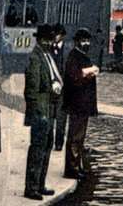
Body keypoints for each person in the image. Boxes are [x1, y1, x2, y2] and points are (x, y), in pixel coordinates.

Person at [24, 24, 62, 201]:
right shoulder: (36, 58)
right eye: (46, 40)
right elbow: (32, 89)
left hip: (48, 108)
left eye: (50, 39)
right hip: (41, 111)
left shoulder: (46, 56)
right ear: (40, 40)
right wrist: (37, 112)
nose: (49, 43)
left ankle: (40, 184)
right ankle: (31, 187)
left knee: (46, 147)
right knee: (37, 149)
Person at [63, 28, 99, 179]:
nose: (86, 43)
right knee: (75, 136)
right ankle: (72, 168)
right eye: (83, 41)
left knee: (79, 136)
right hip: (77, 103)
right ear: (77, 42)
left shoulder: (80, 56)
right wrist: (89, 74)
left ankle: (76, 165)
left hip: (82, 104)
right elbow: (74, 79)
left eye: (87, 41)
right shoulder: (74, 57)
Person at [52, 24, 68, 152]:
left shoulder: (68, 50)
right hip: (50, 89)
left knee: (61, 118)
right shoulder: (48, 49)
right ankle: (49, 141)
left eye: (57, 34)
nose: (55, 37)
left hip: (63, 89)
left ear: (62, 36)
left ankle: (58, 143)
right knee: (49, 117)